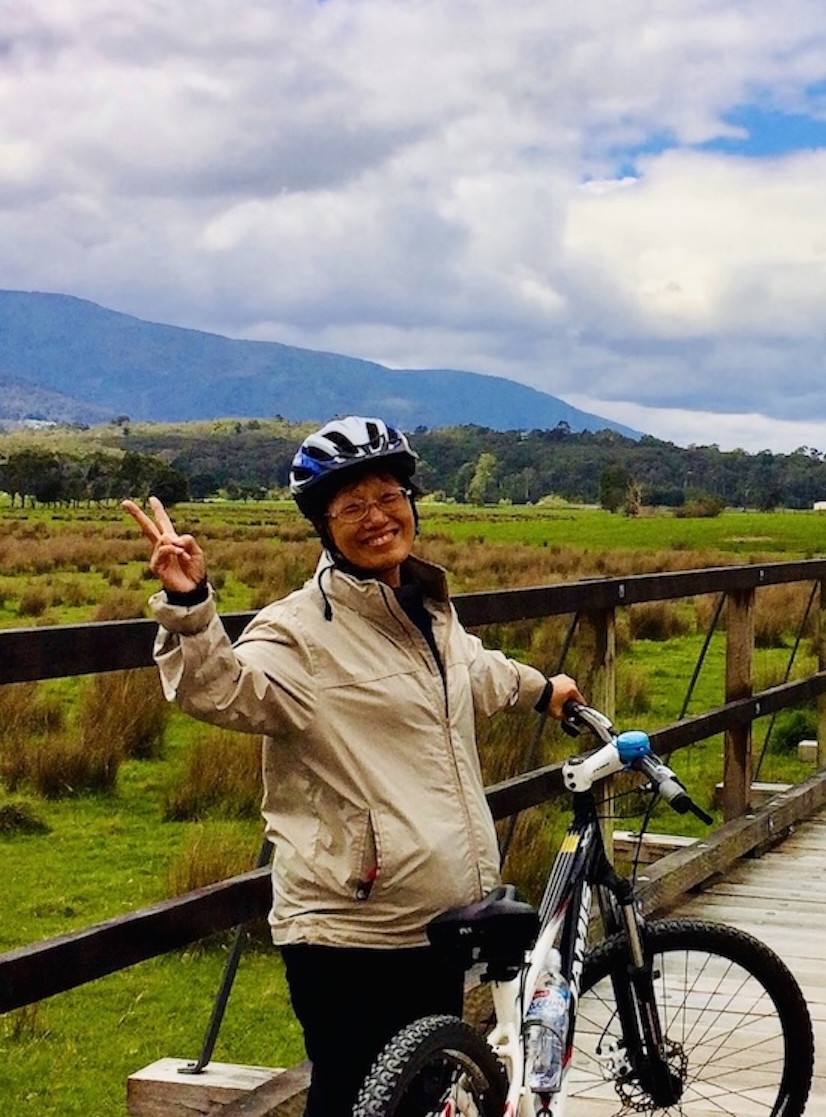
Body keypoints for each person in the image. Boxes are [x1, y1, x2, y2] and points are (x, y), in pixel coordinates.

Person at [124, 416, 584, 1117]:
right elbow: (220, 689)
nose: (376, 518)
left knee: (423, 1092)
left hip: (438, 916)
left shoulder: (428, 611)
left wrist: (541, 691)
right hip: (350, 927)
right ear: (323, 526)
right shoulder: (299, 630)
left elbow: (473, 672)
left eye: (388, 496)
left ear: (412, 501)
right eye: (351, 506)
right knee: (349, 1096)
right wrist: (190, 606)